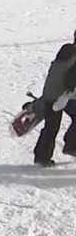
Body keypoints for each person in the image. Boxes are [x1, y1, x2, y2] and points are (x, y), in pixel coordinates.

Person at [33, 38, 76, 167]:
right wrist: (67, 94)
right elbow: (71, 80)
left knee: (51, 126)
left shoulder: (66, 50)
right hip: (65, 95)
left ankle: (42, 157)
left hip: (50, 94)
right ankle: (72, 144)